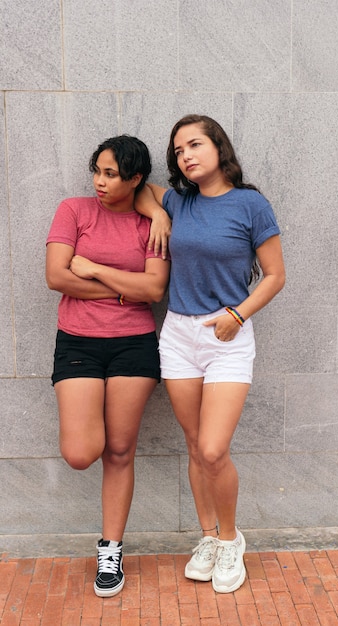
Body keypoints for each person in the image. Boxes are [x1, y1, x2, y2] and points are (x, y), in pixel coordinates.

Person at [136, 114, 285, 593]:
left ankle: (230, 538)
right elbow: (139, 191)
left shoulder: (250, 204)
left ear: (218, 147)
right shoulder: (179, 200)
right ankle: (206, 536)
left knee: (213, 448)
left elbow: (275, 275)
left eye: (195, 144)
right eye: (178, 151)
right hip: (178, 334)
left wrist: (238, 314)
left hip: (227, 336)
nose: (186, 156)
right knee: (194, 443)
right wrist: (160, 212)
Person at [45, 135, 170, 598]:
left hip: (133, 345)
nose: (99, 181)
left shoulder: (150, 224)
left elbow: (154, 290)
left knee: (120, 451)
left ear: (136, 179)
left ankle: (111, 549)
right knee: (81, 453)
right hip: (77, 340)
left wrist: (93, 270)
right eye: (97, 170)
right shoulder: (73, 210)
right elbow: (57, 276)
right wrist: (125, 288)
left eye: (111, 174)